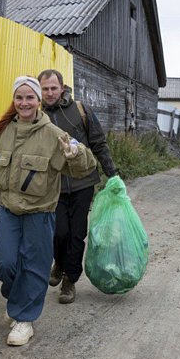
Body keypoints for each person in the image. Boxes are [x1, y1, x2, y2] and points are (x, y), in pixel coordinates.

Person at [0, 76, 96, 346]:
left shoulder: (53, 135)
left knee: (35, 267)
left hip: (40, 213)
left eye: (29, 97)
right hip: (8, 211)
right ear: (14, 100)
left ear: (38, 102)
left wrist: (76, 153)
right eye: (19, 97)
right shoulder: (1, 132)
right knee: (5, 261)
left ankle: (25, 320)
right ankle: (18, 301)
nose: (24, 102)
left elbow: (86, 167)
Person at [38, 69, 117, 304]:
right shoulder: (37, 115)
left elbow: (98, 142)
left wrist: (112, 174)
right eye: (45, 89)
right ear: (40, 90)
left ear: (62, 88)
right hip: (54, 185)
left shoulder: (80, 111)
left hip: (83, 182)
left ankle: (69, 281)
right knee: (58, 232)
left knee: (76, 234)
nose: (50, 93)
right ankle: (59, 263)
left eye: (54, 88)